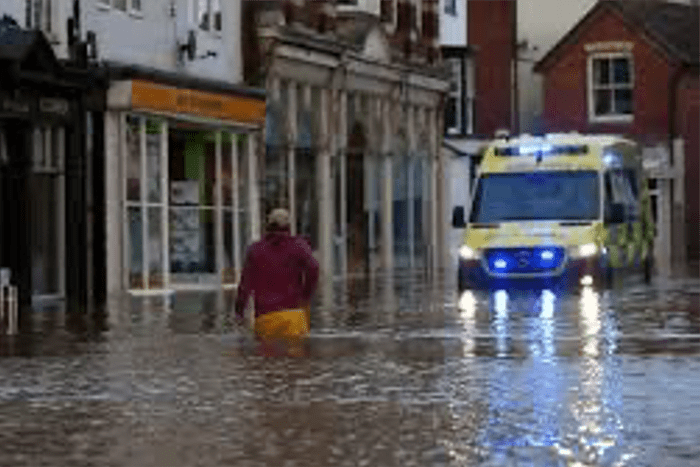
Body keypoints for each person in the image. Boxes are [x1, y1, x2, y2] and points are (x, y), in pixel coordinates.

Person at [234, 208, 319, 354]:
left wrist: (239, 312)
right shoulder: (299, 245)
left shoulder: (255, 250)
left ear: (267, 226)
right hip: (294, 315)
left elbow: (244, 286)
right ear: (289, 226)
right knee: (295, 363)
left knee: (267, 362)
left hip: (266, 317)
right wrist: (306, 295)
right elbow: (314, 268)